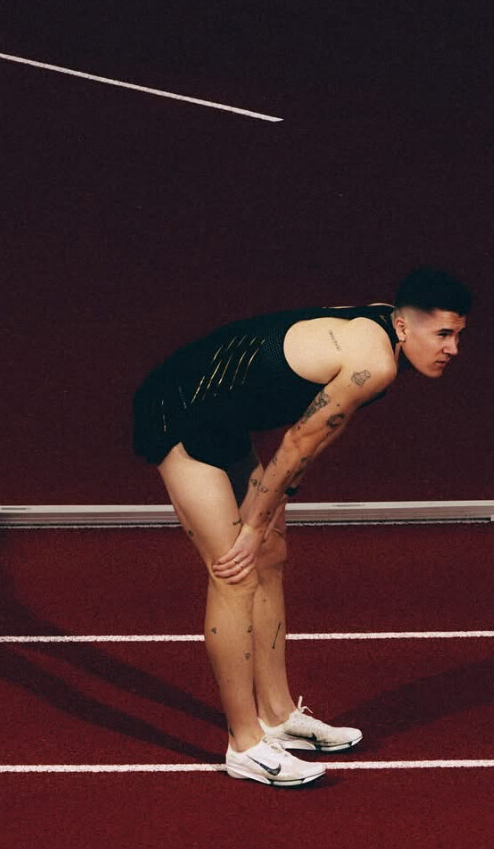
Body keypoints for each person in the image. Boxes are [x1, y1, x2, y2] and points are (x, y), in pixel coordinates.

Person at [133, 267, 471, 787]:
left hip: (222, 413)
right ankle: (244, 744)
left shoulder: (385, 330)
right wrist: (250, 527)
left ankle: (277, 715)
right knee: (233, 570)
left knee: (270, 555)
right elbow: (297, 443)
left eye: (458, 335)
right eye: (443, 334)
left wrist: (262, 523)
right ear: (403, 326)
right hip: (178, 408)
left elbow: (311, 443)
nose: (452, 349)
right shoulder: (375, 363)